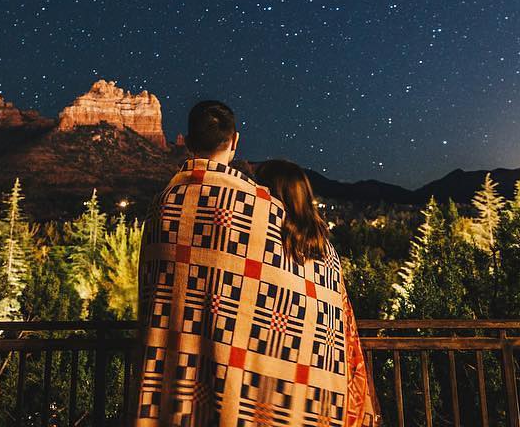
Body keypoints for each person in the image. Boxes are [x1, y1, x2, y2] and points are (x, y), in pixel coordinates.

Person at [135, 101, 379, 426]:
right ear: (235, 141)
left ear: (188, 143)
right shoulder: (261, 209)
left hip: (180, 379)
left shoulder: (162, 207)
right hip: (261, 390)